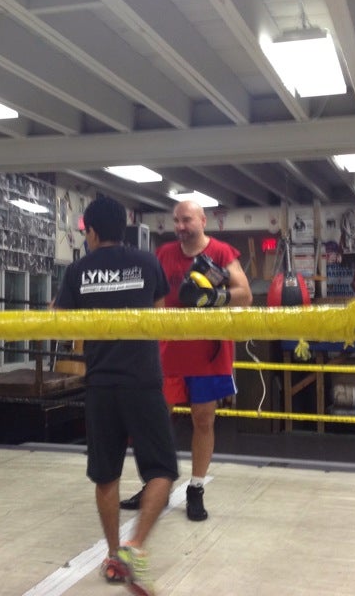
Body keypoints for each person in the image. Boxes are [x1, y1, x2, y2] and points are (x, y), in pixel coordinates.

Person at [55, 196, 177, 596]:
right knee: (161, 471)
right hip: (143, 379)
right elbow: (159, 316)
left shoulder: (77, 271)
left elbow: (60, 326)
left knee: (106, 474)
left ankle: (113, 555)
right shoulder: (147, 263)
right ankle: (135, 544)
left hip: (102, 383)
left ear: (90, 231)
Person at [121, 200, 252, 521]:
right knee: (156, 420)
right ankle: (158, 485)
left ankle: (196, 488)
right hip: (168, 352)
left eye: (187, 220)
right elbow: (153, 299)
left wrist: (216, 297)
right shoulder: (164, 254)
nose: (181, 226)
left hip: (209, 352)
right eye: (176, 221)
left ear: (203, 220)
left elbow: (245, 295)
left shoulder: (222, 253)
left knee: (203, 419)